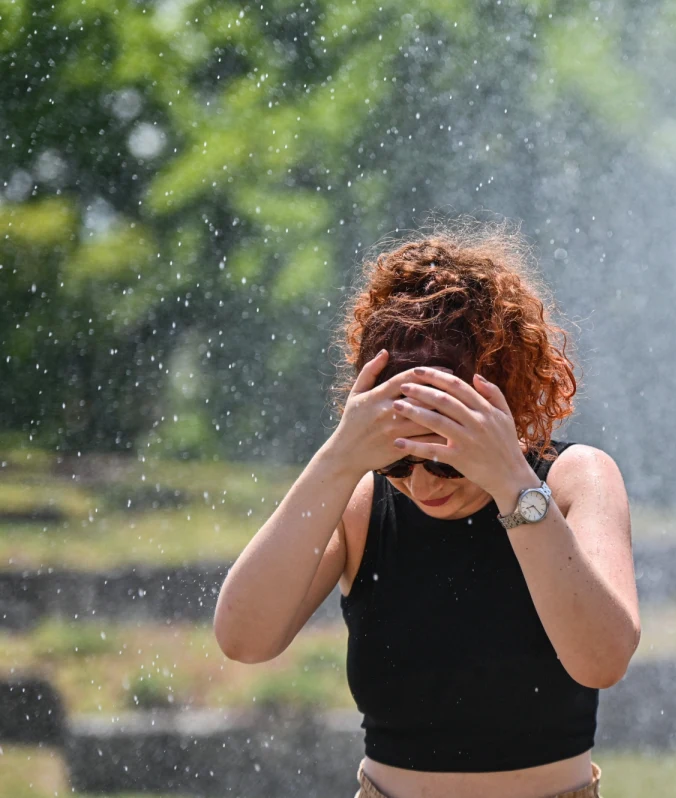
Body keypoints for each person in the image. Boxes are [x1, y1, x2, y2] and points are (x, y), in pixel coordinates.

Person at [213, 217, 640, 798]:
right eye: (396, 456)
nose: (420, 481)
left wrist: (512, 484)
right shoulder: (363, 506)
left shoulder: (571, 481)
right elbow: (243, 638)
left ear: (503, 404)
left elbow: (603, 658)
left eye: (442, 455)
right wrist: (340, 459)